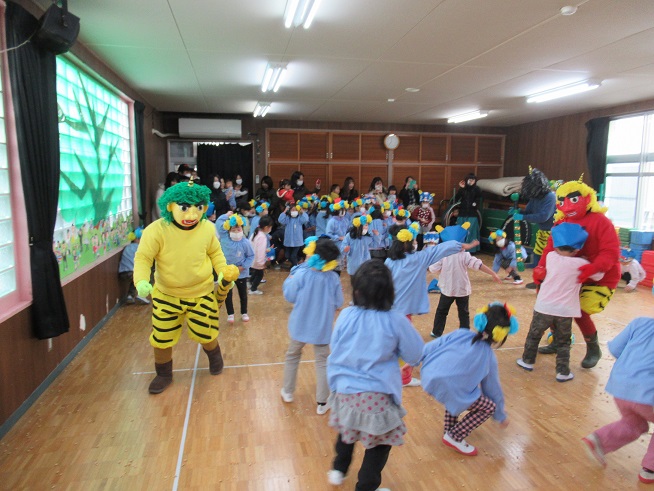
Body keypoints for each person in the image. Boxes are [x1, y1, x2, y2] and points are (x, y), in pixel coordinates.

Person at [326, 260, 424, 490]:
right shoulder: (396, 319)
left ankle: (338, 469)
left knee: (347, 432)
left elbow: (336, 346)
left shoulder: (347, 314)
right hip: (376, 396)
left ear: (357, 290)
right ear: (390, 292)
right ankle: (367, 486)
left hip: (344, 390)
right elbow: (416, 353)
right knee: (379, 444)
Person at [134, 180, 239, 394]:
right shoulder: (156, 230)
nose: (192, 215)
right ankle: (163, 373)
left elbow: (216, 253)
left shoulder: (207, 228)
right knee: (161, 338)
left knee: (207, 332)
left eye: (198, 208)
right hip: (166, 295)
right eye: (184, 208)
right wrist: (141, 281)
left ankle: (214, 356)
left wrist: (222, 270)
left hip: (201, 293)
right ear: (170, 205)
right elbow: (144, 258)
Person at [536, 177, 620, 369]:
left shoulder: (601, 222)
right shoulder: (561, 222)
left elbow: (611, 252)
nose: (567, 205)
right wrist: (542, 268)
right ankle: (558, 341)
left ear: (587, 198)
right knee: (551, 304)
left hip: (600, 277)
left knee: (580, 311)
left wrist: (594, 267)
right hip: (570, 274)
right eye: (562, 200)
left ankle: (593, 348)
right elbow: (550, 248)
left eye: (573, 199)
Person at [421, 302, 517, 456]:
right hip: (451, 388)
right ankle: (454, 436)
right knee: (487, 406)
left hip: (429, 376)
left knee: (458, 390)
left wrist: (412, 361)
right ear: (501, 335)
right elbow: (492, 390)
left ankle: (449, 429)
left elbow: (432, 346)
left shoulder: (461, 333)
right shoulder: (489, 357)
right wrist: (500, 415)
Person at [385, 222, 470, 386]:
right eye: (414, 241)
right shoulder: (417, 259)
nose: (416, 244)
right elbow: (440, 250)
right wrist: (459, 243)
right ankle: (404, 378)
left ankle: (390, 371)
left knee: (393, 342)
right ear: (408, 243)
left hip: (390, 310)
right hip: (402, 314)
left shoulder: (389, 261)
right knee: (406, 346)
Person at [516, 223, 603, 382]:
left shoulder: (551, 257)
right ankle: (563, 372)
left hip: (544, 307)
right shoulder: (581, 264)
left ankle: (527, 361)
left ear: (556, 246)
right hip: (565, 311)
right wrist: (587, 259)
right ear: (577, 249)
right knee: (564, 343)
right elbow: (599, 275)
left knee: (534, 336)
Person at [581, 316, 654, 484]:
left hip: (620, 388)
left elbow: (615, 349)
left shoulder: (639, 322)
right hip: (648, 393)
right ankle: (650, 469)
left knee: (634, 424)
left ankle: (598, 440)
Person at [281, 239, 344, 414]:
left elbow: (289, 295)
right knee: (323, 361)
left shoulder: (302, 274)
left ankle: (287, 391)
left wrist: (289, 279)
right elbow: (339, 301)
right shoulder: (333, 278)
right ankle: (323, 402)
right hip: (322, 327)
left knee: (293, 355)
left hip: (300, 325)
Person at [430, 223, 501, 338]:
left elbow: (433, 269)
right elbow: (479, 265)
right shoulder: (465, 255)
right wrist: (493, 273)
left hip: (447, 290)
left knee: (441, 312)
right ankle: (465, 333)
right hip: (462, 290)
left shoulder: (443, 255)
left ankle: (436, 332)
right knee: (464, 313)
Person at [512, 167, 557, 270]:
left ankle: (543, 281)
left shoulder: (550, 197)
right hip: (542, 231)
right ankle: (537, 279)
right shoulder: (535, 197)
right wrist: (518, 211)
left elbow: (543, 217)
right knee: (537, 254)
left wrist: (523, 217)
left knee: (547, 258)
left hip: (552, 233)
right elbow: (529, 211)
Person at [216, 213, 255, 323]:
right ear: (228, 231)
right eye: (233, 230)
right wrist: (228, 215)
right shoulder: (225, 239)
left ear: (242, 230)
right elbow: (219, 222)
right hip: (227, 274)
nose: (236, 232)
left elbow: (251, 256)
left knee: (243, 294)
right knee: (227, 294)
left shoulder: (245, 242)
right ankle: (230, 314)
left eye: (238, 230)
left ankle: (244, 312)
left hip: (241, 273)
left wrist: (243, 267)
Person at [118, 227, 149, 304]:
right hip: (132, 272)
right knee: (145, 276)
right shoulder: (140, 248)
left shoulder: (127, 247)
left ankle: (130, 296)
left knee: (134, 280)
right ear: (137, 239)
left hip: (122, 273)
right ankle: (142, 295)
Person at [455, 173, 482, 253]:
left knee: (471, 231)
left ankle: (471, 249)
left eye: (473, 180)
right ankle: (460, 248)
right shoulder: (463, 189)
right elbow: (457, 198)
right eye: (470, 179)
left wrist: (474, 204)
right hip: (462, 213)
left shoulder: (477, 189)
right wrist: (461, 188)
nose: (471, 181)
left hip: (472, 214)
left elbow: (478, 199)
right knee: (461, 230)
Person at [278, 202, 309, 268]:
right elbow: (280, 220)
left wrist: (302, 211)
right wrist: (285, 211)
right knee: (287, 255)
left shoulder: (299, 219)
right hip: (288, 241)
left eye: (295, 210)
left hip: (297, 241)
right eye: (292, 210)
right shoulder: (287, 218)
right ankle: (296, 264)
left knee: (293, 256)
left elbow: (306, 219)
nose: (294, 211)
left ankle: (296, 267)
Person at [249, 216, 273, 295]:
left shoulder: (256, 233)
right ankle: (253, 289)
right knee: (260, 274)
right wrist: (262, 262)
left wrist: (266, 250)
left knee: (255, 272)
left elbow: (254, 246)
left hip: (253, 258)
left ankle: (250, 282)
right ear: (266, 227)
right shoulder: (262, 237)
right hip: (258, 260)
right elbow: (260, 251)